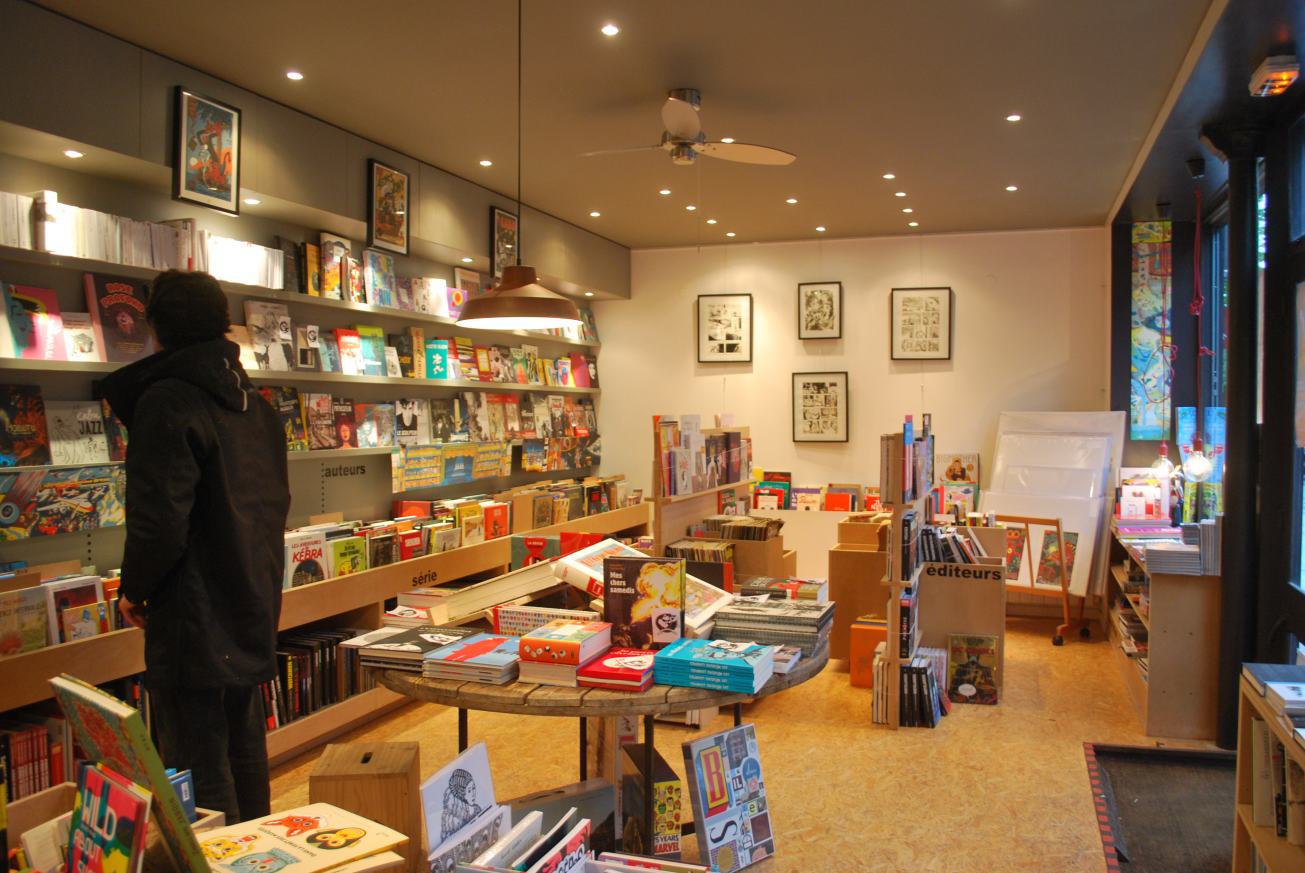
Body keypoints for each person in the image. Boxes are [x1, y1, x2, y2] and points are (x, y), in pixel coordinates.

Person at [100, 269, 290, 824]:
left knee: (197, 763)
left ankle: (212, 859)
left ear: (156, 328)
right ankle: (256, 853)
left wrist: (136, 589)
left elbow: (159, 519)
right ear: (222, 324)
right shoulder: (255, 405)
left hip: (192, 610)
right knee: (245, 747)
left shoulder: (167, 400)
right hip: (250, 597)